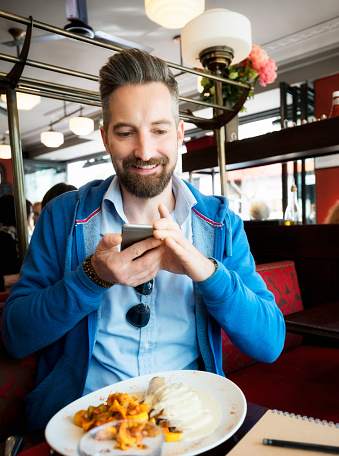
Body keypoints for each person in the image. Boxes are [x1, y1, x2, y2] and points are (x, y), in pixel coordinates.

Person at [2, 50, 285, 432]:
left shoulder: (221, 224)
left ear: (180, 132)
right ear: (105, 138)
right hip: (85, 425)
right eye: (125, 132)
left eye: (159, 130)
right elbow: (14, 336)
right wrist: (91, 277)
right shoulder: (62, 216)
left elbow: (269, 343)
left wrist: (206, 271)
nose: (145, 151)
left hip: (189, 423)